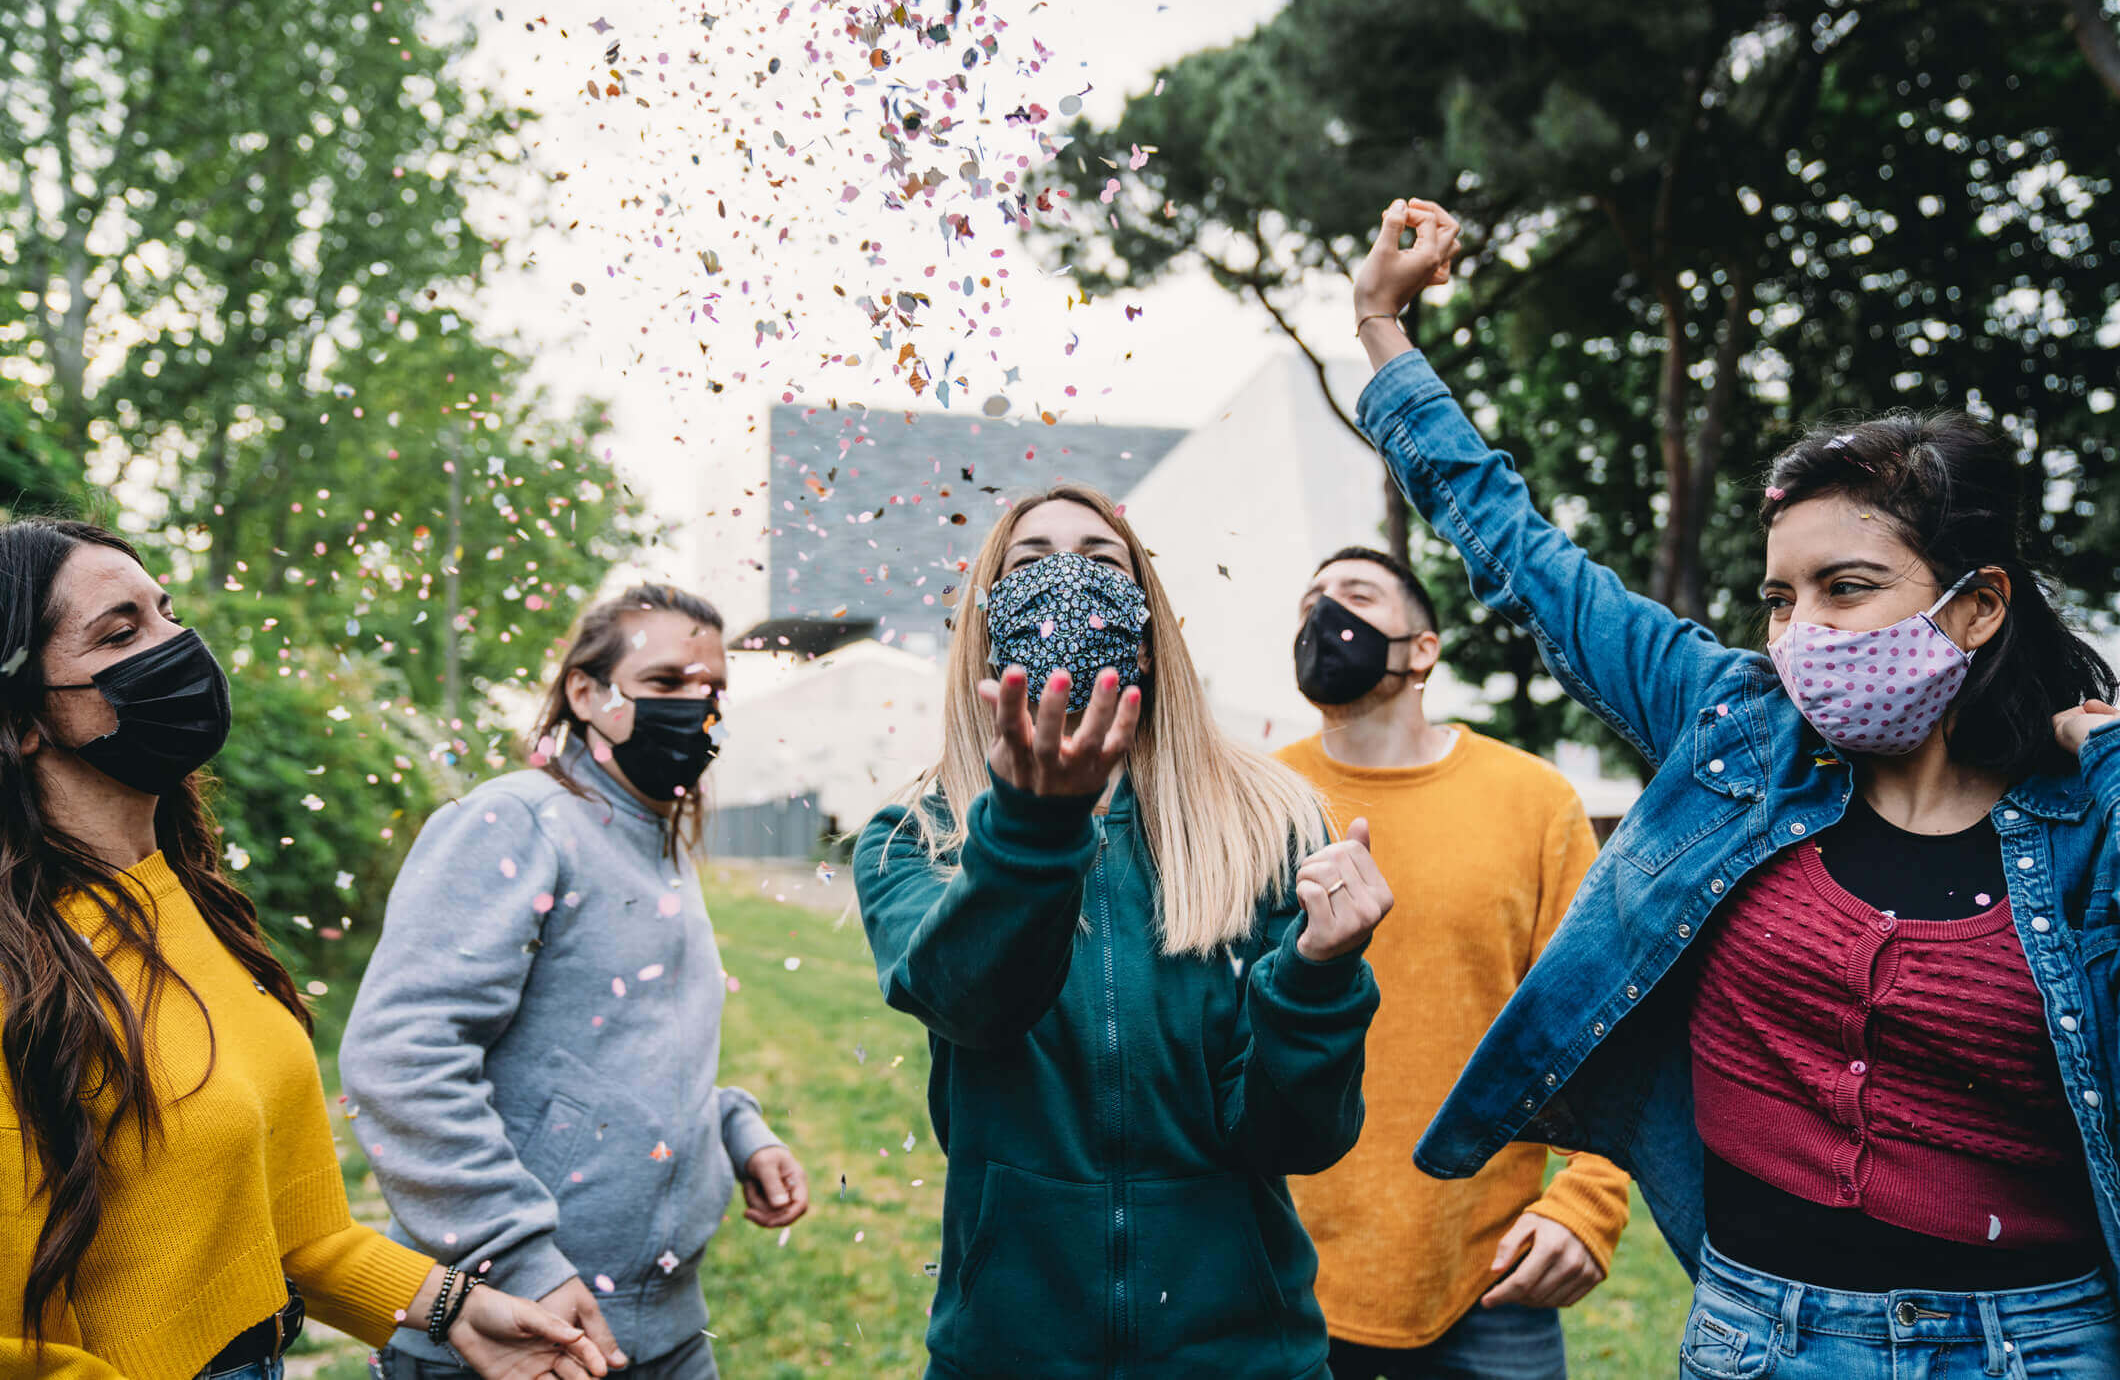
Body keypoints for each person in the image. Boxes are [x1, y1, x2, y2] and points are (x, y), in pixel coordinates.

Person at [1349, 198, 2120, 1375]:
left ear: (1974, 606)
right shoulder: (1734, 727)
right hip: (1762, 1335)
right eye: (1777, 596)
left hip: (2039, 1344)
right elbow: (1524, 556)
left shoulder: (2088, 817)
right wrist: (1380, 333)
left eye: (1845, 587)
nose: (1800, 631)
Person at [0, 518, 610, 1380]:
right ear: (25, 719)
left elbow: (299, 1233)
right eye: (121, 632)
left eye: (167, 612)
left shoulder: (197, 910)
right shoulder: (19, 973)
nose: (179, 646)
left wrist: (454, 1309)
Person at [854, 484, 1393, 1380]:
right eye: (1031, 563)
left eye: (1101, 562)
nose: (1067, 577)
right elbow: (975, 1008)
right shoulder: (921, 834)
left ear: (1144, 623)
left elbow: (1293, 1141)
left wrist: (1317, 977)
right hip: (1007, 1355)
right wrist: (1031, 830)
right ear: (987, 624)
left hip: (1245, 1357)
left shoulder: (1268, 823)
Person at [341, 585, 808, 1380]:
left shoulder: (660, 839)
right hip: (516, 1333)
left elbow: (626, 1049)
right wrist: (520, 1258)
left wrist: (738, 1131)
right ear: (590, 693)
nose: (696, 706)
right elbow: (401, 1057)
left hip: (664, 1330)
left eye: (713, 689)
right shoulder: (519, 821)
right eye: (666, 683)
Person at [1280, 546, 1629, 1380]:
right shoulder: (1258, 801)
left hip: (1489, 1279)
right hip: (1278, 1278)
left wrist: (1589, 1203)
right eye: (1310, 603)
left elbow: (1609, 1026)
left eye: (1356, 596)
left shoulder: (1534, 801)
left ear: (1423, 648)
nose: (1325, 617)